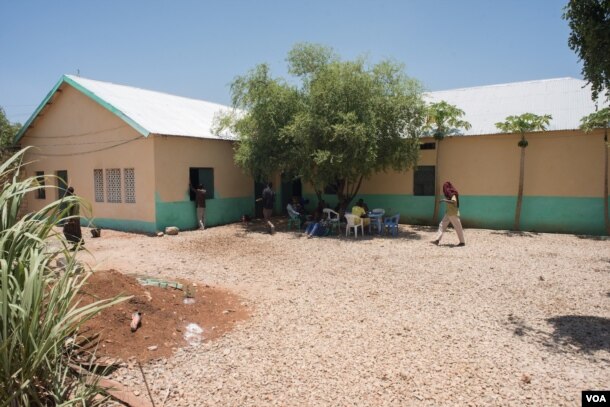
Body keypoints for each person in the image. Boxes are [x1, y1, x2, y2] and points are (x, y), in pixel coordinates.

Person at [432, 181, 466, 246]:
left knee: (458, 227)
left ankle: (462, 242)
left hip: (453, 213)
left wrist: (444, 200)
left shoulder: (453, 194)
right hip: (448, 213)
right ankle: (437, 240)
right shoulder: (448, 195)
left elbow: (454, 202)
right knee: (442, 225)